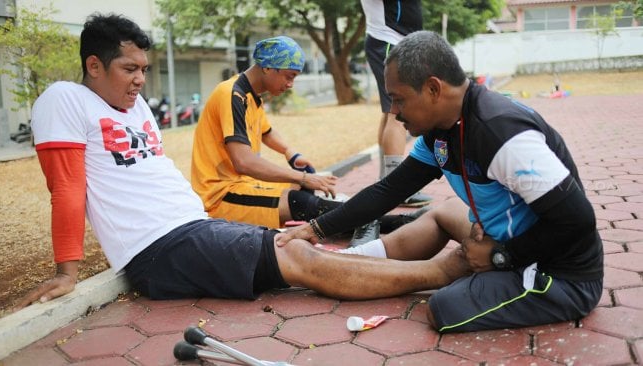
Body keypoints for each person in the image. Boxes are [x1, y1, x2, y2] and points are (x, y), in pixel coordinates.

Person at [15, 14, 462, 311]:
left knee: (298, 248)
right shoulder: (65, 100)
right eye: (129, 68)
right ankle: (444, 272)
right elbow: (67, 186)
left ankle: (418, 254)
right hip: (161, 245)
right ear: (93, 65)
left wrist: (294, 157)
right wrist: (66, 271)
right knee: (302, 255)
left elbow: (265, 135)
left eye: (144, 69)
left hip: (193, 224)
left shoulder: (134, 106)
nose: (140, 80)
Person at [277, 30, 604, 333]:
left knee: (444, 309)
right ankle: (350, 263)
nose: (395, 111)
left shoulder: (501, 134)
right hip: (500, 239)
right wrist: (316, 228)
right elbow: (388, 190)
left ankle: (438, 271)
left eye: (399, 98)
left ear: (433, 89)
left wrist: (499, 256)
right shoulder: (440, 132)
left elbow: (578, 221)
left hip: (558, 273)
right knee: (441, 214)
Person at [190, 35, 420, 233]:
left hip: (239, 185)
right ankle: (396, 223)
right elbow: (244, 162)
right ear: (268, 67)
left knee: (306, 193)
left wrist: (291, 154)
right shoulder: (232, 94)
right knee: (301, 200)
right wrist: (300, 176)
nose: (291, 84)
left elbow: (266, 132)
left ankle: (369, 221)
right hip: (219, 195)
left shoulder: (250, 96)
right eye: (289, 76)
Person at [361, 0, 431, 207]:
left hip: (393, 41)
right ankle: (396, 189)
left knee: (390, 112)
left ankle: (387, 181)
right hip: (388, 40)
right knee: (398, 112)